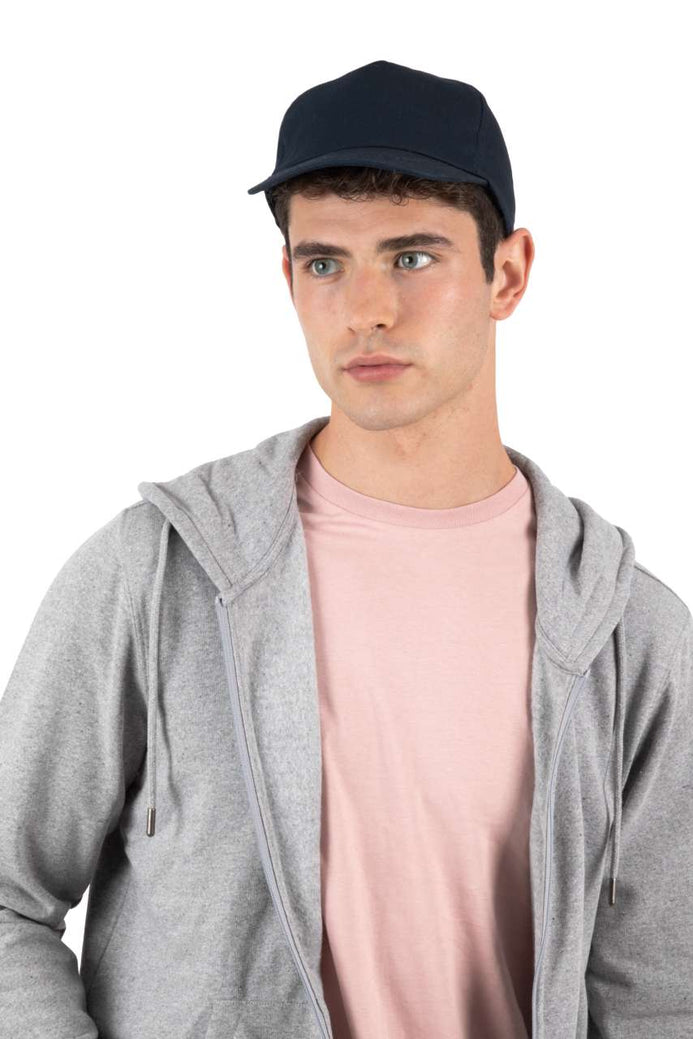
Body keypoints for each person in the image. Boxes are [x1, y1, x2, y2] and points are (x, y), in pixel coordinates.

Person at [0, 58, 691, 1039]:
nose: (366, 308)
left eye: (412, 257)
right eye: (325, 263)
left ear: (507, 273)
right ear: (288, 278)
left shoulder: (627, 630)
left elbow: (659, 993)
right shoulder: (157, 575)